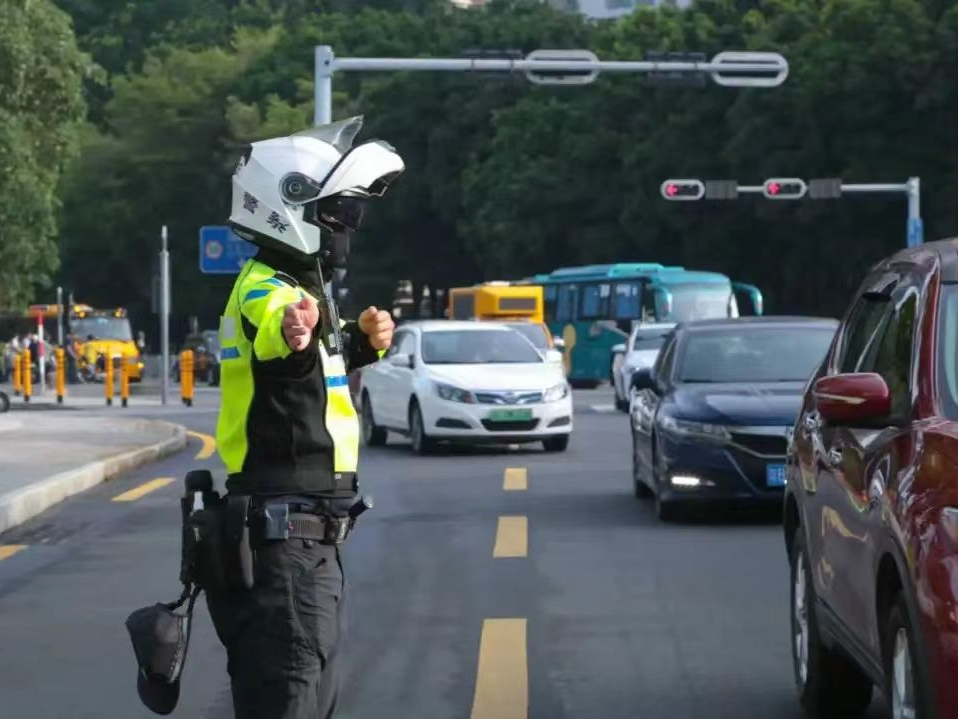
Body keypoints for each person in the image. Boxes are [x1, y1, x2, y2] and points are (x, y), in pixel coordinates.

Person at [207, 116, 404, 719]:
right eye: (337, 214)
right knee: (293, 688)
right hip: (286, 538)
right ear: (292, 207)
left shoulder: (300, 291)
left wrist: (361, 342)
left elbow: (310, 369)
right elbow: (279, 335)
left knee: (307, 689)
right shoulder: (272, 292)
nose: (346, 229)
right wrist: (293, 335)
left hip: (302, 535)